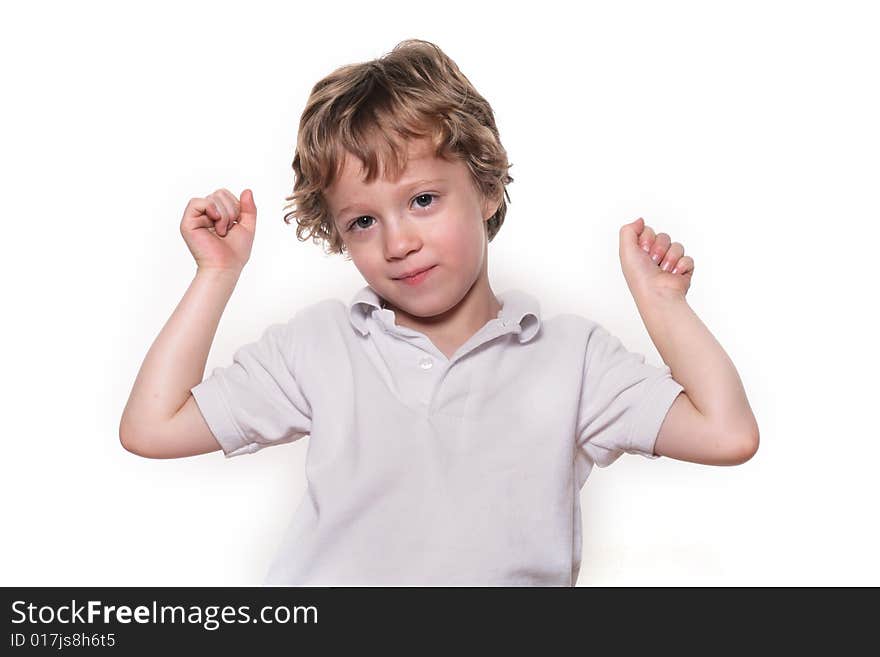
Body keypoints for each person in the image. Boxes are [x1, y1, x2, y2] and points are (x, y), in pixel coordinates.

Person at [119, 39, 759, 586]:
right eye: (364, 221)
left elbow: (727, 434)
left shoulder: (574, 360)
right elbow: (153, 426)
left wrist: (662, 304)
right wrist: (216, 273)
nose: (398, 243)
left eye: (422, 199)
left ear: (485, 188)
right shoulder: (320, 347)